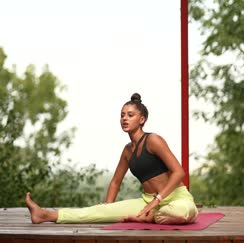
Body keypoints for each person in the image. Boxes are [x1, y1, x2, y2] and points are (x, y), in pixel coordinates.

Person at [26, 93, 198, 225]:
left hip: (176, 199)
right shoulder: (127, 151)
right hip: (146, 201)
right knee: (97, 212)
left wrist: (156, 201)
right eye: (122, 115)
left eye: (130, 115)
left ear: (142, 119)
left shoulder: (153, 140)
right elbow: (116, 182)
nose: (124, 118)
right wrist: (108, 206)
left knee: (181, 211)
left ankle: (150, 217)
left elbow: (179, 172)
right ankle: (46, 214)